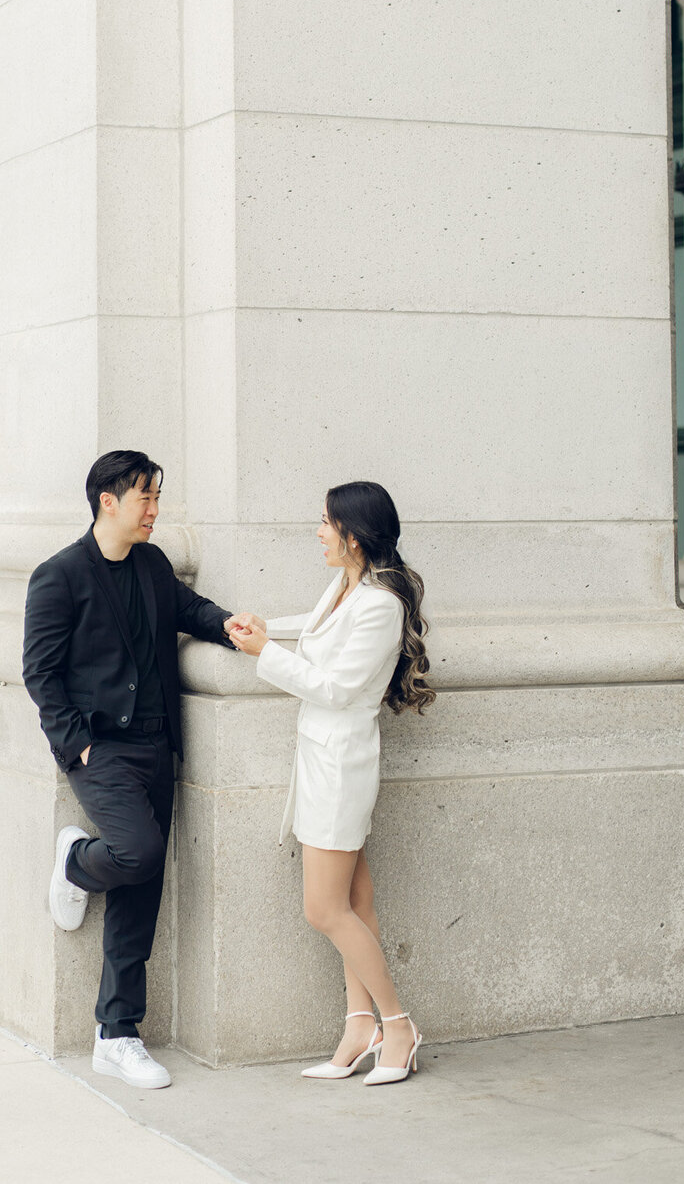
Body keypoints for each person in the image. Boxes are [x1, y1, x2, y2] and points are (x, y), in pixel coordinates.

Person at [23, 450, 243, 1090]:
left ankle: (116, 1034)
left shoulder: (151, 564)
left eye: (157, 498)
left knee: (141, 890)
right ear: (107, 502)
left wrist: (232, 627)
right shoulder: (58, 576)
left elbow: (188, 609)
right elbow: (40, 673)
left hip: (157, 746)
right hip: (101, 750)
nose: (154, 510)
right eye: (144, 498)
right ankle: (74, 861)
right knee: (138, 853)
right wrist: (77, 747)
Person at [228, 480, 435, 1087]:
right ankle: (358, 1024)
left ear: (353, 533)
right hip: (321, 761)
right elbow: (318, 627)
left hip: (341, 766)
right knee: (355, 902)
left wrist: (265, 652)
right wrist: (270, 627)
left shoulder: (380, 604)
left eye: (325, 522)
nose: (317, 531)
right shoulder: (347, 587)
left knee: (323, 909)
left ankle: (396, 1026)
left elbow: (340, 689)